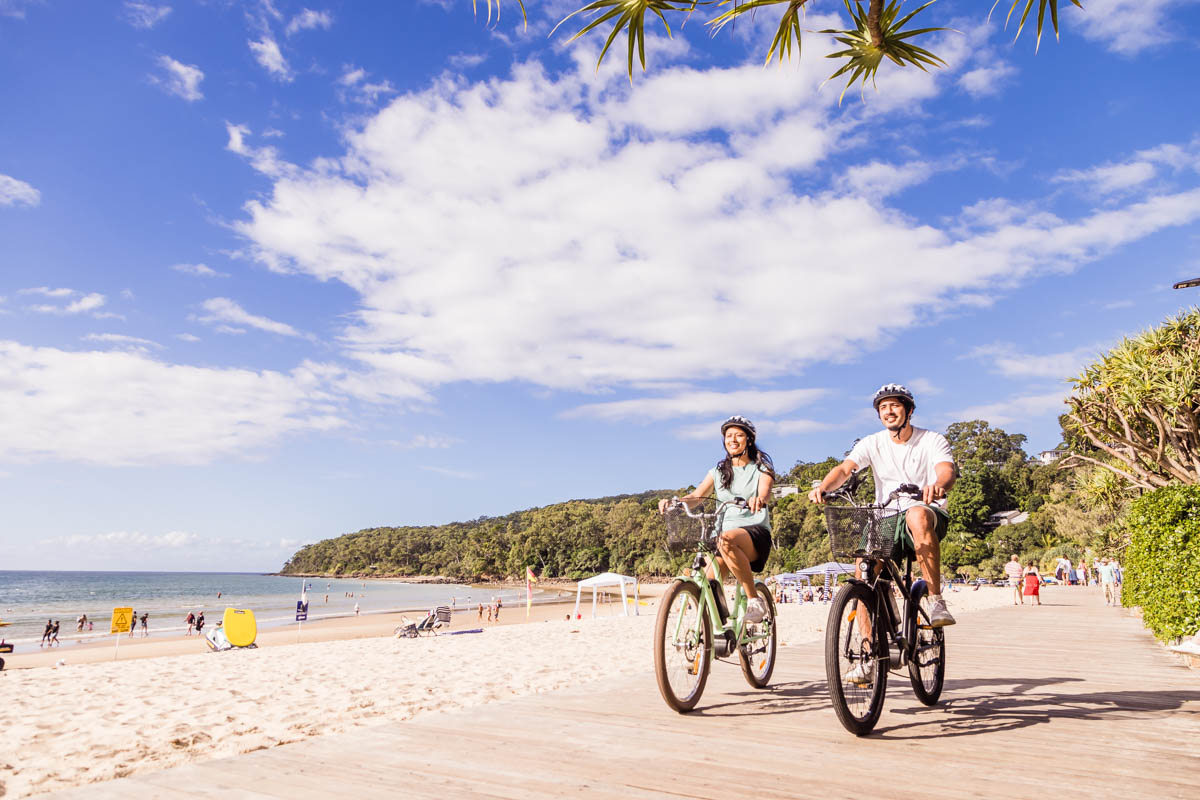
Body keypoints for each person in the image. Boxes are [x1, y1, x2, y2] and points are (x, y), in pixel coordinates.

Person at [809, 384, 957, 627]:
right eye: (883, 407)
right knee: (863, 574)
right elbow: (845, 469)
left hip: (927, 510)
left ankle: (937, 600)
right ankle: (868, 653)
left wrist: (938, 485)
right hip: (886, 515)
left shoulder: (931, 440)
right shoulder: (872, 442)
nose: (889, 411)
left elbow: (946, 471)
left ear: (909, 411)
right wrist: (824, 488)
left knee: (916, 514)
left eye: (895, 406)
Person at [658, 415, 776, 624]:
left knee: (726, 540)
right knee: (706, 581)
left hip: (753, 533)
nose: (733, 439)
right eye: (728, 435)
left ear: (748, 440)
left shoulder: (761, 470)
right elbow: (696, 497)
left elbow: (765, 491)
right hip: (721, 537)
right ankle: (721, 629)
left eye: (739, 435)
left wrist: (759, 499)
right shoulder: (718, 472)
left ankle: (754, 599)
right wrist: (675, 502)